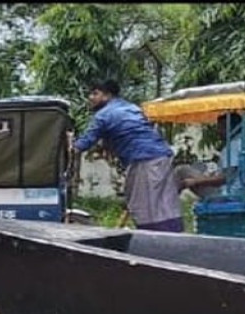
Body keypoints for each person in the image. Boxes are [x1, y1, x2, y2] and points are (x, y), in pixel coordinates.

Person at [73, 80, 183, 233]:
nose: (90, 98)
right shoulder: (132, 108)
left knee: (144, 208)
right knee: (166, 204)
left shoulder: (103, 115)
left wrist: (67, 145)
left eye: (95, 93)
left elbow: (82, 145)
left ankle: (154, 244)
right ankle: (176, 240)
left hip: (143, 159)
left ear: (108, 95)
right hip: (162, 155)